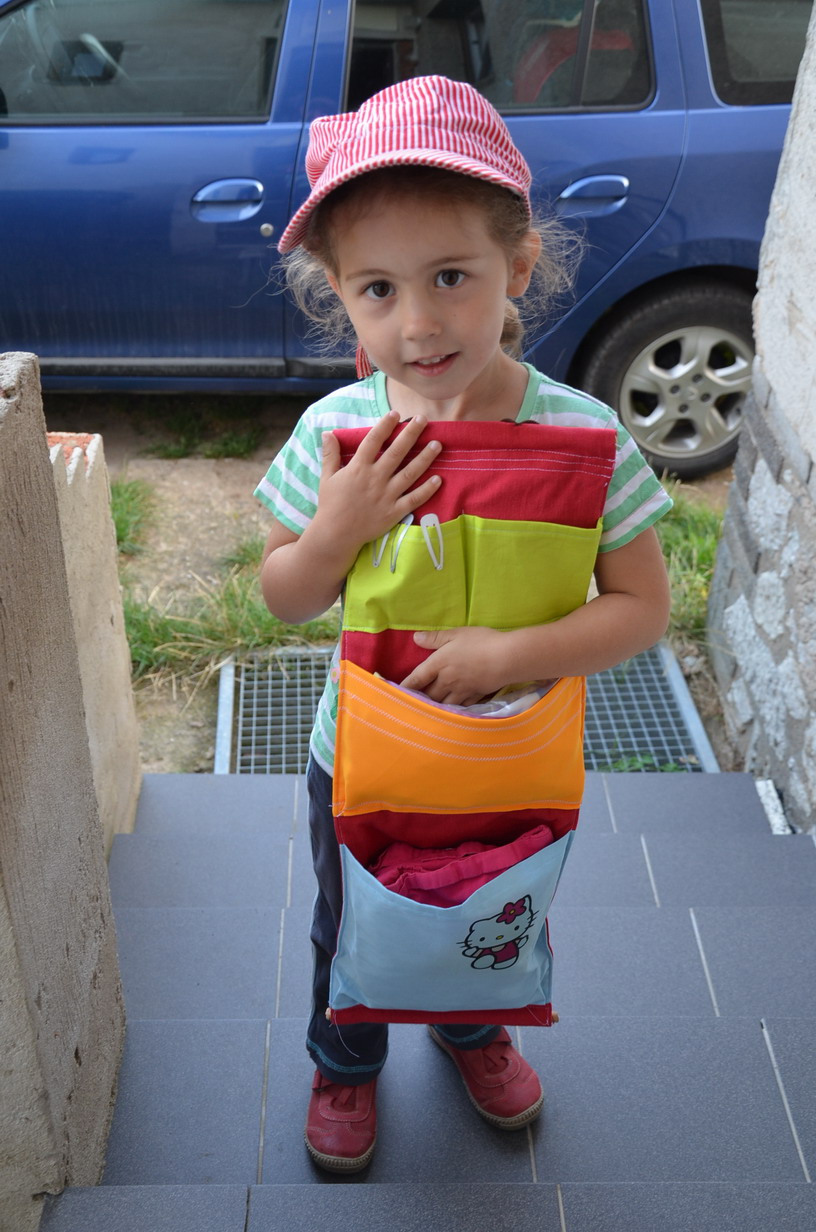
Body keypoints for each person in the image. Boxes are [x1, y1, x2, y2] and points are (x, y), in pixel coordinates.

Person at [255, 75, 672, 1173]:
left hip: (512, 754)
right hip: (363, 753)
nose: (420, 322)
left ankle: (473, 1029)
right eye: (378, 289)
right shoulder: (336, 432)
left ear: (518, 265)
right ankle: (345, 1062)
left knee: (494, 901)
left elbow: (644, 607)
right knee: (353, 918)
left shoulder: (583, 439)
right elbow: (284, 594)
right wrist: (336, 528)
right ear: (339, 295)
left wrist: (511, 654)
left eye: (452, 276)